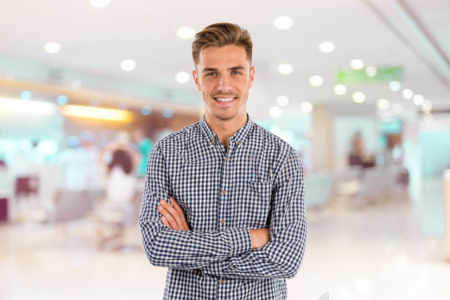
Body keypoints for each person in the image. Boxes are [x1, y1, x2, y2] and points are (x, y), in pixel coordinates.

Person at [139, 23, 307, 300]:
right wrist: (250, 238)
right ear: (197, 79)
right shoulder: (166, 153)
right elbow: (157, 247)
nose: (224, 85)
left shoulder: (282, 156)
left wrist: (192, 249)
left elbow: (287, 259)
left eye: (235, 72)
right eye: (211, 73)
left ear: (251, 77)